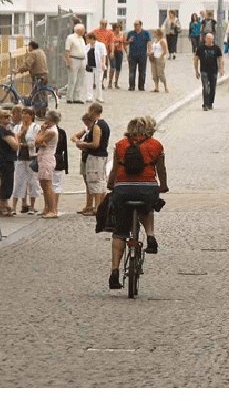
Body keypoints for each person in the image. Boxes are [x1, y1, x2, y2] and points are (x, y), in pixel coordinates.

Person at [106, 116, 169, 290]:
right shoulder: (156, 145)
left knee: (119, 231)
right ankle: (150, 235)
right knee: (147, 207)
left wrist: (111, 184)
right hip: (147, 188)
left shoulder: (120, 145)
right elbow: (161, 169)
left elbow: (115, 170)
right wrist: (162, 186)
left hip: (123, 189)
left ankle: (114, 271)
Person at [75, 102, 110, 215]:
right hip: (97, 156)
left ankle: (97, 207)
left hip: (96, 157)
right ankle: (92, 206)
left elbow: (95, 144)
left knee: (96, 182)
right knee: (95, 181)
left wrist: (83, 144)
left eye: (90, 111)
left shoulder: (97, 125)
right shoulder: (99, 124)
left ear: (94, 111)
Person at [11, 105, 41, 214]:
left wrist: (26, 144)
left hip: (31, 157)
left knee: (33, 181)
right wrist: (21, 134)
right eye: (24, 113)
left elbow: (37, 142)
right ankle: (14, 207)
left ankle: (32, 206)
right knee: (19, 181)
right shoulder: (17, 127)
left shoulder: (36, 127)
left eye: (28, 114)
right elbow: (14, 140)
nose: (25, 116)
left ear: (32, 116)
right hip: (19, 157)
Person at [33, 110, 61, 218]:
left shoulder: (51, 131)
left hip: (47, 158)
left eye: (47, 119)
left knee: (48, 184)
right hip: (42, 157)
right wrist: (40, 139)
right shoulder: (49, 130)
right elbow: (38, 142)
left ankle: (53, 209)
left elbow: (37, 140)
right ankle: (47, 208)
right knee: (43, 184)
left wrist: (42, 131)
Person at [0, 109, 19, 217]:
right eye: (5, 117)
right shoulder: (4, 131)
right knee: (7, 183)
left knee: (3, 182)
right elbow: (15, 145)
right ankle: (3, 206)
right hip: (5, 159)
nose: (9, 118)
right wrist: (15, 135)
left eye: (9, 116)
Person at [194, 32, 225, 111]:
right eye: (208, 38)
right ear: (205, 39)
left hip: (214, 70)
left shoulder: (216, 48)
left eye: (211, 38)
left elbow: (220, 59)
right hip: (204, 70)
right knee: (205, 87)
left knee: (212, 88)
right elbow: (196, 59)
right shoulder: (200, 48)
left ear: (213, 39)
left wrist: (221, 69)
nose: (209, 40)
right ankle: (205, 104)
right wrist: (196, 71)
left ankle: (210, 103)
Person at [64, 23, 88, 104]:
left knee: (80, 80)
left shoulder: (82, 38)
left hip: (82, 60)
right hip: (74, 59)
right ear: (79, 30)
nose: (84, 31)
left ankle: (77, 97)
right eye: (83, 30)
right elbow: (67, 50)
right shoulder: (70, 38)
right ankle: (69, 97)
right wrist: (68, 61)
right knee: (72, 79)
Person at [126, 20, 151, 91]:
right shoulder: (131, 33)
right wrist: (129, 41)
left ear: (140, 25)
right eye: (134, 24)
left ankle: (141, 86)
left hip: (142, 55)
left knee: (142, 72)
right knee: (132, 71)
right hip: (132, 55)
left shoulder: (145, 33)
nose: (135, 26)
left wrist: (149, 51)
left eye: (137, 24)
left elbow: (148, 42)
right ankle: (131, 86)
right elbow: (126, 43)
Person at [91, 19, 115, 90]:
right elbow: (90, 40)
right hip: (95, 52)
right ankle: (95, 83)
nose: (104, 25)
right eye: (102, 23)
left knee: (103, 67)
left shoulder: (109, 33)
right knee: (94, 67)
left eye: (105, 24)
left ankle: (101, 83)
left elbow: (111, 43)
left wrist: (112, 52)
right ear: (100, 23)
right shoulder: (95, 31)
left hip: (104, 53)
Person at [52, 116, 69, 215]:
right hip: (58, 158)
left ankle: (53, 207)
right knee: (53, 184)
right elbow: (65, 150)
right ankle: (53, 207)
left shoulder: (59, 132)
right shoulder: (61, 132)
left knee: (54, 184)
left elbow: (65, 149)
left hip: (56, 158)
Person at [84, 33, 108, 103]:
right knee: (89, 81)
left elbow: (104, 55)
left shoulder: (101, 45)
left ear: (91, 38)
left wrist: (103, 63)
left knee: (99, 81)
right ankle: (89, 96)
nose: (86, 40)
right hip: (89, 65)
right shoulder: (87, 46)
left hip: (98, 66)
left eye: (87, 38)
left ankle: (99, 97)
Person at [149, 29, 170, 93]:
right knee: (154, 74)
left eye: (155, 33)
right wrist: (150, 52)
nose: (154, 34)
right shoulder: (155, 41)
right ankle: (156, 87)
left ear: (159, 34)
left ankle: (166, 87)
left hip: (159, 59)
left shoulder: (162, 41)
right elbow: (153, 48)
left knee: (160, 73)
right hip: (153, 58)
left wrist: (161, 56)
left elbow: (165, 50)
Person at [109, 22, 126, 90]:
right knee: (112, 67)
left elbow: (124, 42)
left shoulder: (122, 34)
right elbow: (110, 42)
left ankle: (116, 82)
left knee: (118, 68)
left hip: (119, 51)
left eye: (119, 27)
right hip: (112, 51)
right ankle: (110, 82)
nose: (118, 29)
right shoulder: (111, 34)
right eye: (117, 27)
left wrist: (127, 51)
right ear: (114, 28)